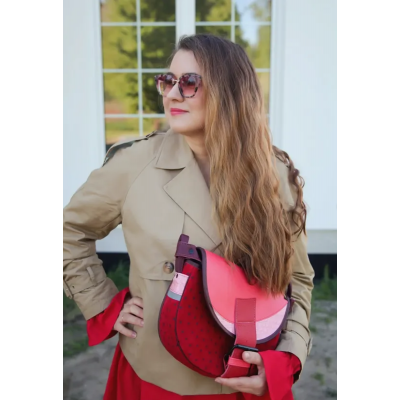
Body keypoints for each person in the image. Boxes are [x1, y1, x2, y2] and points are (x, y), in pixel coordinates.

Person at [63, 34, 314, 400]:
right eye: (167, 81)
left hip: (245, 378)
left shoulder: (273, 174)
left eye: (190, 82)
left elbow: (298, 279)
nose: (172, 94)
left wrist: (287, 356)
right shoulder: (135, 164)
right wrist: (101, 301)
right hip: (157, 380)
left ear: (230, 91)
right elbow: (68, 231)